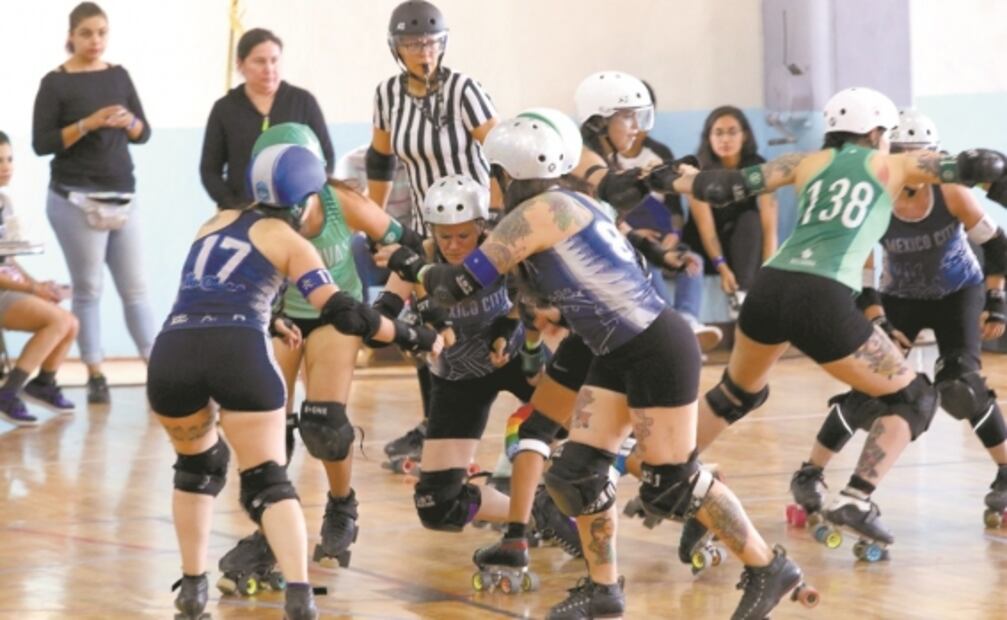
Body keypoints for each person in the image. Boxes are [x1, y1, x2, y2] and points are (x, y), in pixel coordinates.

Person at [380, 109, 816, 620]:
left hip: (652, 347)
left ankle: (767, 566)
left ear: (503, 172)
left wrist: (410, 265)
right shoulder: (571, 203)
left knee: (672, 481)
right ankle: (604, 589)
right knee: (576, 474)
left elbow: (460, 284)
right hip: (611, 347)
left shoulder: (534, 214)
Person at [667, 87, 1007, 561]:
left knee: (735, 393)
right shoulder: (898, 166)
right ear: (876, 133)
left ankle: (668, 474)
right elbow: (974, 167)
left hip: (769, 287)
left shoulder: (802, 162)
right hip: (821, 295)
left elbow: (721, 187)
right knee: (913, 398)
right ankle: (856, 498)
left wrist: (669, 178)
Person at [146, 143, 441, 620]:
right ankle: (301, 598)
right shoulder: (292, 243)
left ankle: (193, 591)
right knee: (266, 479)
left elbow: (211, 296)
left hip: (172, 353)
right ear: (304, 201)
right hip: (236, 353)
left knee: (196, 471)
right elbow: (344, 314)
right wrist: (413, 334)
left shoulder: (213, 223)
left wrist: (268, 319)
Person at [213, 122, 428, 593]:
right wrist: (267, 317)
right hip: (286, 317)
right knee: (268, 427)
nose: (286, 212)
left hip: (338, 314)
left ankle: (341, 503)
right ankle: (270, 531)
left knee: (325, 424)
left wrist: (390, 304)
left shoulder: (340, 201)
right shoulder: (261, 215)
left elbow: (410, 247)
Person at [787, 109, 1007, 535]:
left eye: (921, 155)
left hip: (957, 293)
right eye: (905, 154)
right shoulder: (876, 198)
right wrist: (879, 322)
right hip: (899, 298)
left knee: (962, 386)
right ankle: (810, 473)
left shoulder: (951, 192)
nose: (914, 165)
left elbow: (998, 247)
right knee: (870, 388)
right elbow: (862, 276)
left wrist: (996, 299)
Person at [368, 0, 501, 466]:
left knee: (488, 327)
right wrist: (377, 218)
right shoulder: (387, 96)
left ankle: (536, 433)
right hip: (427, 232)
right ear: (396, 49)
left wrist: (502, 219)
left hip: (475, 227)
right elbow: (381, 159)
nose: (422, 51)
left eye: (429, 42)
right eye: (412, 43)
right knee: (427, 330)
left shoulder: (465, 90)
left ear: (442, 44)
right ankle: (435, 428)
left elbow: (499, 151)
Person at [31, 1, 156, 405]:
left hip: (123, 193)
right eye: (86, 33)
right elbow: (42, 143)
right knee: (88, 289)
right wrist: (88, 122)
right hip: (75, 197)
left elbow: (144, 131)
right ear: (71, 36)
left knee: (136, 288)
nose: (95, 40)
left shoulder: (119, 75)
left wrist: (128, 122)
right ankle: (96, 372)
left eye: (102, 32)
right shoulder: (55, 82)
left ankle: (158, 371)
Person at [571, 71, 721, 351]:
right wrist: (657, 176)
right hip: (583, 293)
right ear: (599, 120)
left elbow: (616, 225)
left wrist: (661, 255)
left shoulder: (605, 158)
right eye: (627, 116)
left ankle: (683, 325)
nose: (635, 127)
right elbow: (614, 191)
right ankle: (682, 327)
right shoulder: (580, 156)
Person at [199, 28, 335, 210]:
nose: (269, 69)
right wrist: (232, 204)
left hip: (299, 212)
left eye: (274, 60)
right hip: (242, 211)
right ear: (240, 64)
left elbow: (327, 157)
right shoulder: (224, 108)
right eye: (259, 61)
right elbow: (209, 170)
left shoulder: (302, 101)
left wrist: (310, 199)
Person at [0, 132, 78, 425]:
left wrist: (38, 286)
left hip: (7, 285)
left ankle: (43, 384)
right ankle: (8, 394)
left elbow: (8, 259)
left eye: (9, 159)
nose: (6, 166)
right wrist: (32, 288)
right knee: (57, 321)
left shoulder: (4, 202)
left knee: (71, 323)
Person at [683, 106, 779, 311]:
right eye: (718, 133)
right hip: (708, 250)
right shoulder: (696, 172)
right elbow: (705, 229)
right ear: (708, 137)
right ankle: (742, 300)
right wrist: (722, 267)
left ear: (744, 135)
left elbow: (770, 226)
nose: (725, 139)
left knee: (750, 218)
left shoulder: (759, 168)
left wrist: (768, 273)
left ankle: (741, 296)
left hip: (745, 247)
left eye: (732, 132)